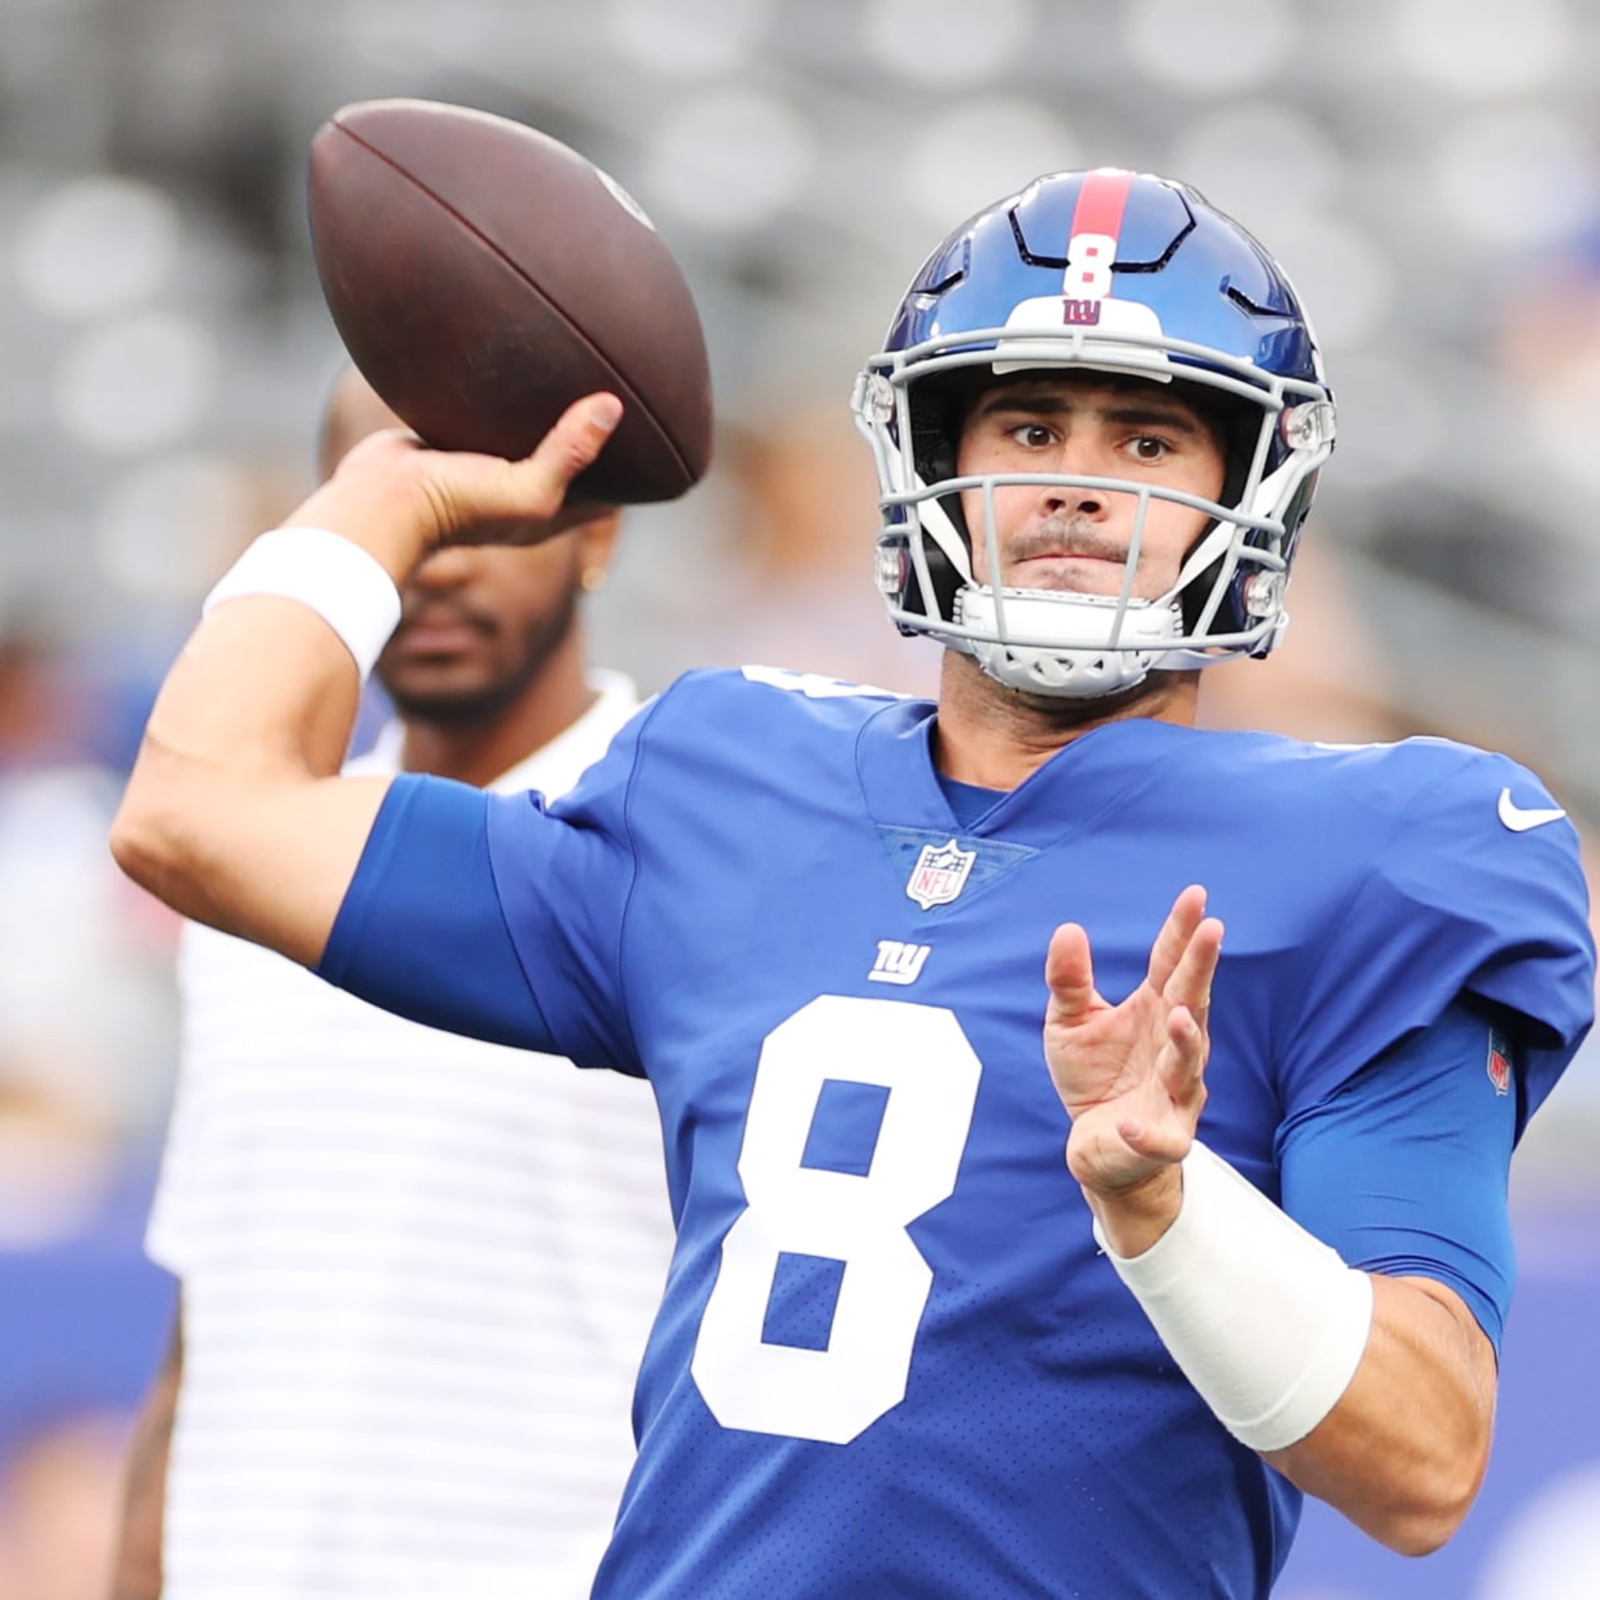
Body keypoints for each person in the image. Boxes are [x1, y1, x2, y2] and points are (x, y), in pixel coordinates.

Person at [110, 170, 1595, 1598]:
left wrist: (1167, 1206)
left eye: (1147, 442)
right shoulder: (726, 780)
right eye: (1028, 425)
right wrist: (386, 500)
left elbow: (1424, 1460)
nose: (1079, 486)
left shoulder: (1385, 855)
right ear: (927, 457)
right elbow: (203, 806)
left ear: (1250, 488)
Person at [109, 368, 675, 1600]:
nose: (437, 561)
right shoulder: (238, 865)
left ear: (596, 533)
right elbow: (208, 1323)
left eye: (482, 511)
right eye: (401, 511)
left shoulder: (682, 864)